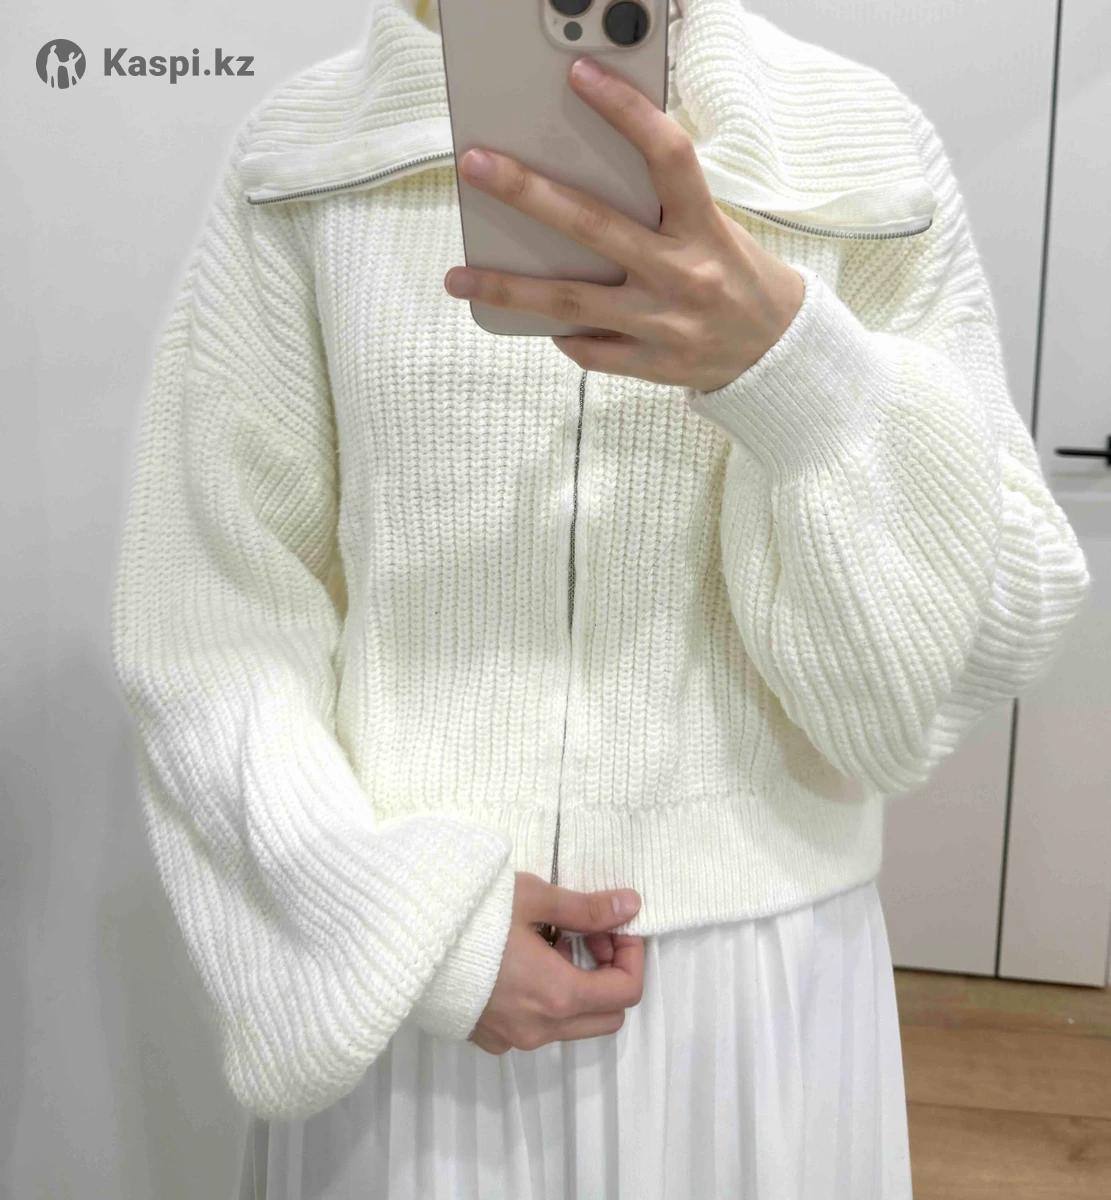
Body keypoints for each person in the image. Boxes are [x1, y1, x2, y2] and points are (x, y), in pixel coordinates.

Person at [109, 0, 1091, 1196]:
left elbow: (969, 648)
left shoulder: (852, 142)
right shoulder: (305, 154)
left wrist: (793, 368)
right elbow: (210, 623)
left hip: (758, 998)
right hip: (417, 980)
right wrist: (399, 926)